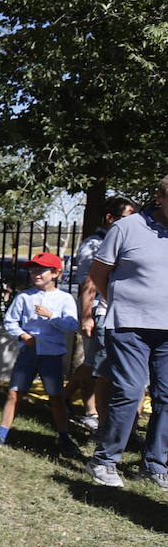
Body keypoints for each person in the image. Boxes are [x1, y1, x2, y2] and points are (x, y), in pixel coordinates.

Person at [83, 176, 168, 488]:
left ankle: (155, 465)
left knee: (166, 396)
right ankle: (104, 461)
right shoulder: (127, 227)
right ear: (160, 196)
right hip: (130, 326)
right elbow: (97, 274)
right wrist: (119, 304)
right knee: (130, 391)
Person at [0, 253, 80, 457]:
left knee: (56, 397)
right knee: (15, 392)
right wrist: (23, 336)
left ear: (56, 273)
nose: (35, 274)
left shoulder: (65, 299)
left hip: (51, 355)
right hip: (28, 353)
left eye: (41, 270)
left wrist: (51, 316)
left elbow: (71, 325)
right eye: (33, 269)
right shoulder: (24, 296)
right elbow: (10, 321)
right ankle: (1, 434)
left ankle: (65, 438)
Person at [64, 196, 137, 430]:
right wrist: (87, 316)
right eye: (127, 217)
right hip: (99, 313)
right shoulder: (94, 244)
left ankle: (64, 398)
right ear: (110, 218)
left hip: (119, 314)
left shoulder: (127, 241)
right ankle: (90, 413)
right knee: (97, 367)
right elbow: (89, 283)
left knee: (96, 365)